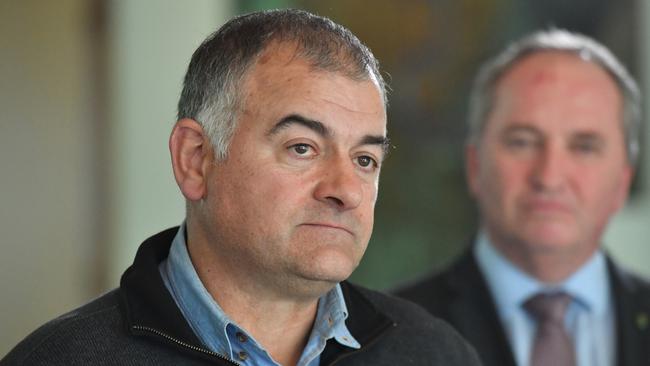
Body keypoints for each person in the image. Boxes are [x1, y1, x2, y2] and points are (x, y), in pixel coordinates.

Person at [1, 9, 480, 366]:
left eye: (364, 159)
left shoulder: (435, 353)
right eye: (302, 148)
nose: (346, 191)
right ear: (196, 159)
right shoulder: (60, 360)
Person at [396, 29, 650, 366]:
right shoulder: (389, 336)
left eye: (584, 146)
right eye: (522, 141)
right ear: (475, 166)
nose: (549, 177)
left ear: (623, 181)